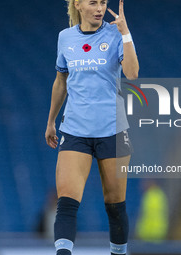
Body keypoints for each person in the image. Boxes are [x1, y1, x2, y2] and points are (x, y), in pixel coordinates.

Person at [45, 0, 139, 254]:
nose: (100, 8)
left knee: (115, 205)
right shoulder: (65, 38)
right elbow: (60, 81)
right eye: (93, 2)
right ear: (78, 4)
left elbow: (132, 73)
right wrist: (51, 120)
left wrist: (126, 33)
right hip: (75, 130)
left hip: (113, 130)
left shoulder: (115, 34)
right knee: (66, 202)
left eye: (103, 2)